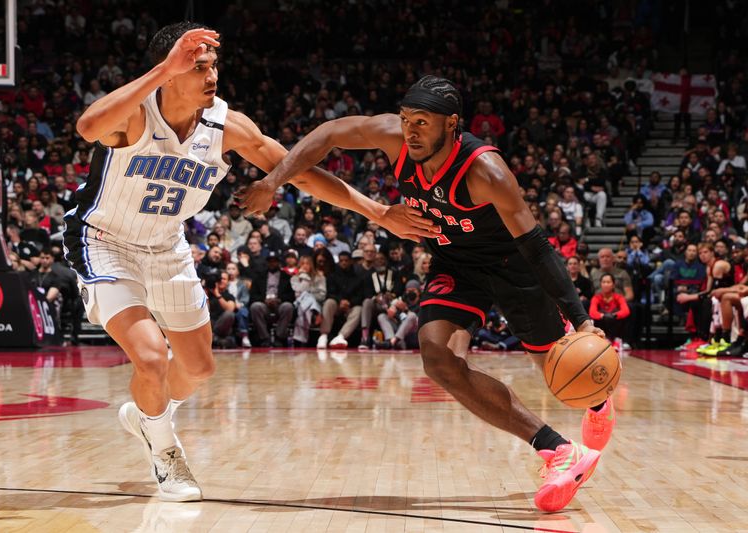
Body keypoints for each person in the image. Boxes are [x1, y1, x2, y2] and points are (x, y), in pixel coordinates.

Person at [66, 23, 429, 502]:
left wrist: (378, 212)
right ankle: (165, 452)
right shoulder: (134, 114)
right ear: (170, 72)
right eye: (198, 67)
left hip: (166, 245)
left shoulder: (225, 125)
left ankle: (145, 415)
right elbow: (87, 126)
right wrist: (161, 69)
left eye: (213, 65)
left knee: (197, 370)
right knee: (151, 358)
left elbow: (298, 173)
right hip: (105, 240)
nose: (211, 75)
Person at [241, 75, 607, 512]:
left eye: (422, 122)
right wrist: (274, 181)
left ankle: (599, 398)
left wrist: (581, 318)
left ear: (452, 124)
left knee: (561, 370)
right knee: (437, 359)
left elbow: (537, 245)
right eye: (405, 120)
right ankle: (557, 449)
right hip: (456, 263)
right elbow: (330, 134)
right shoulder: (395, 140)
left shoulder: (486, 172)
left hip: (512, 265)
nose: (410, 130)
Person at [589, 273, 631, 352]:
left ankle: (618, 340)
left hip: (616, 324)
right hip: (602, 324)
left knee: (622, 315)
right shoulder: (596, 298)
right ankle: (604, 339)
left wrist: (614, 315)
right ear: (601, 284)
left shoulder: (619, 297)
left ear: (613, 285)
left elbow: (626, 310)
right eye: (604, 282)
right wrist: (603, 316)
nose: (606, 284)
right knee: (598, 318)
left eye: (608, 282)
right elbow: (592, 312)